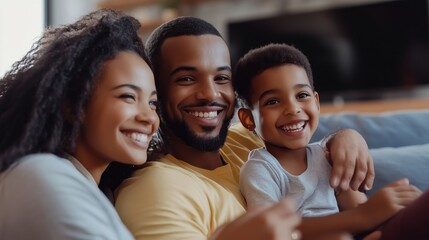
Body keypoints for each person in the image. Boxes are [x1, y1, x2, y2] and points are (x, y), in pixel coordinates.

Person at [114, 16, 375, 240]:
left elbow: (305, 145)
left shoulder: (243, 139)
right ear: (155, 91)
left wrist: (343, 138)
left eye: (222, 78)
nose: (210, 93)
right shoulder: (154, 191)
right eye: (186, 78)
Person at [234, 43, 422, 239]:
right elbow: (269, 230)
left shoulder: (327, 157)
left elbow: (362, 212)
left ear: (316, 102)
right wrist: (363, 216)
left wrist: (390, 207)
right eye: (272, 101)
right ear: (248, 119)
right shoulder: (260, 169)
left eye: (302, 95)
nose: (293, 109)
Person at [0, 9, 160, 239]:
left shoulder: (103, 191)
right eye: (128, 96)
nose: (149, 117)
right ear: (71, 105)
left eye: (153, 102)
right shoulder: (42, 176)